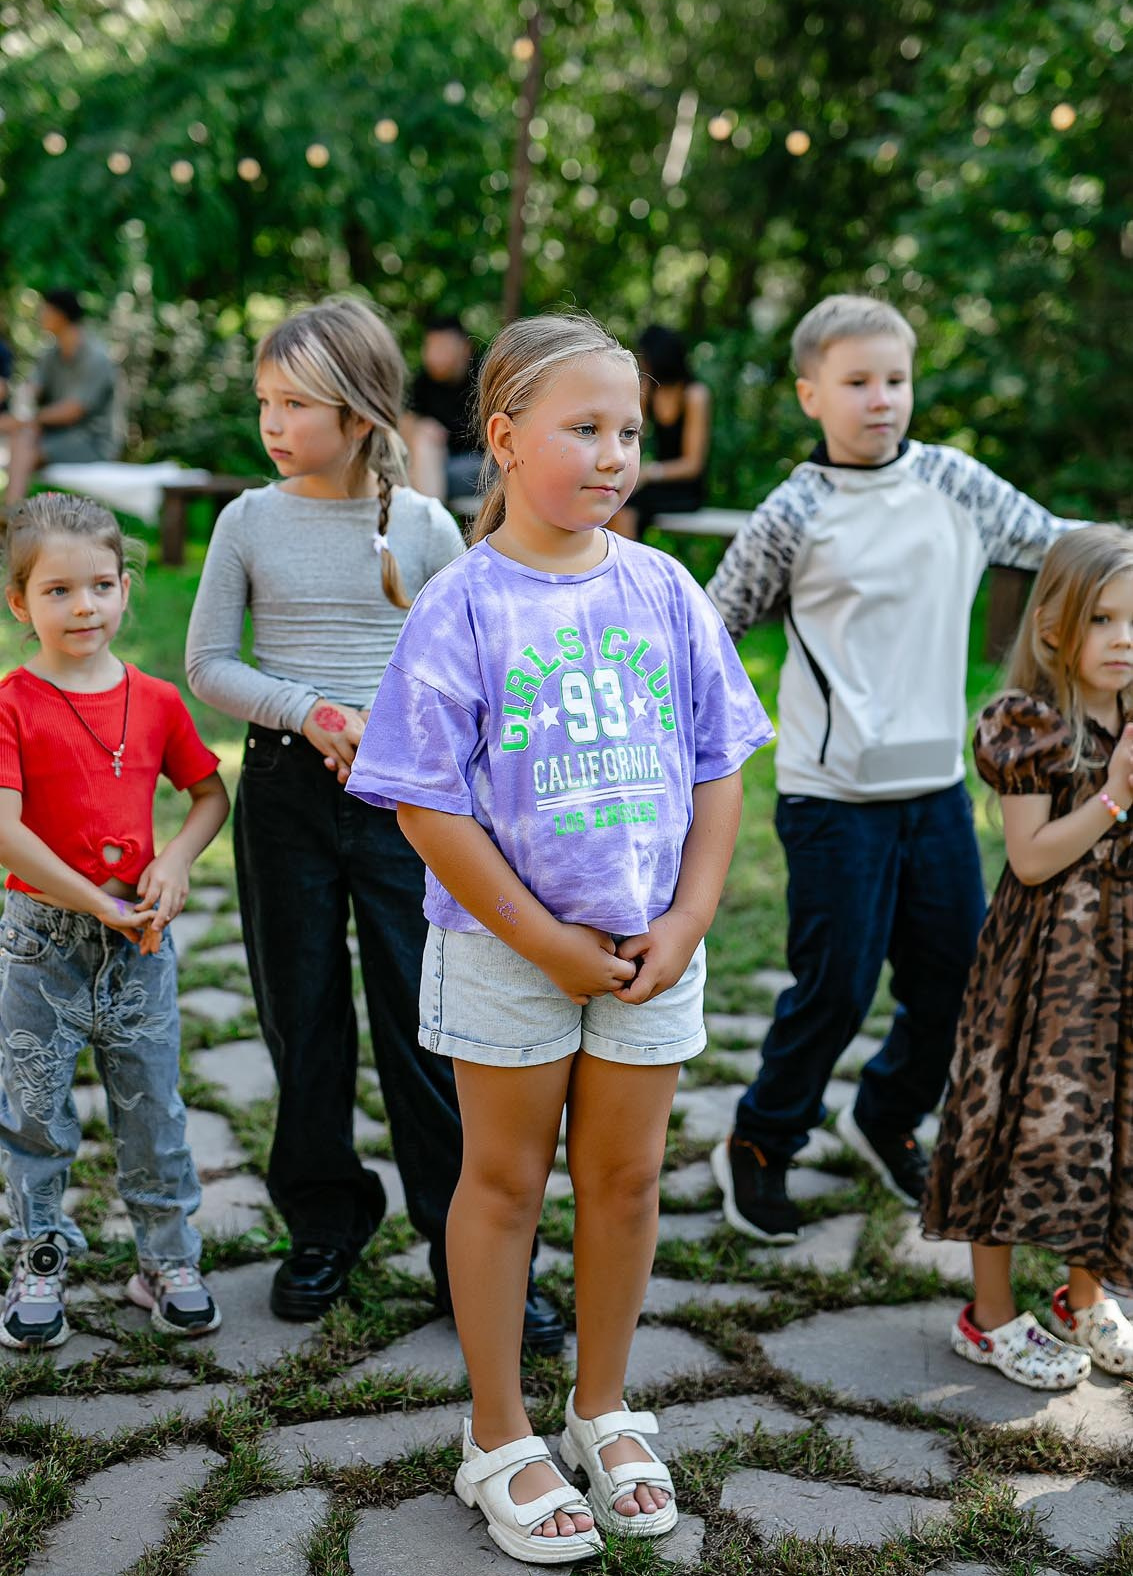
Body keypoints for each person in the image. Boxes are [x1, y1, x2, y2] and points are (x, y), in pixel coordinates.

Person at [346, 313, 772, 1562]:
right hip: (505, 948)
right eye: (582, 427)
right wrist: (542, 939)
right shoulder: (462, 603)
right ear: (504, 436)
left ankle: (600, 1405)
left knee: (627, 1179)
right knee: (505, 1180)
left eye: (626, 430)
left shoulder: (661, 586)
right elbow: (424, 802)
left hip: (648, 945)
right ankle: (498, 1431)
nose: (611, 454)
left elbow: (717, 765)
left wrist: (689, 917)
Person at [185, 297, 564, 1354]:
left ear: (357, 412)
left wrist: (387, 733)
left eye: (294, 401)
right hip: (288, 790)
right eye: (264, 400)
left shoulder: (427, 525)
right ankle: (324, 1218)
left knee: (424, 1022)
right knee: (300, 1013)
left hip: (410, 802)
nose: (272, 421)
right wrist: (309, 711)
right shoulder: (248, 519)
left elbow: (463, 668)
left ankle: (468, 1252)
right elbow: (209, 661)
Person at [706, 294, 1077, 1245]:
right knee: (832, 989)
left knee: (957, 982)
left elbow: (1066, 549)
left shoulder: (955, 482)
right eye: (857, 382)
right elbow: (710, 629)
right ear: (810, 393)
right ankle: (758, 1142)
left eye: (896, 380)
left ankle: (883, 1118)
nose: (881, 400)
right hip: (831, 799)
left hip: (936, 793)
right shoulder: (795, 509)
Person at [0, 493, 229, 1349]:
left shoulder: (158, 700)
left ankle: (165, 1262)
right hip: (41, 946)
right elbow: (6, 830)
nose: (84, 606)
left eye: (100, 584)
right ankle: (38, 1262)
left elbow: (210, 795)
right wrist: (92, 900)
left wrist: (171, 865)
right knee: (34, 1119)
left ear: (127, 588)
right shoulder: (14, 702)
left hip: (139, 949)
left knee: (154, 1113)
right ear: (21, 603)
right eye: (58, 591)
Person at [923, 526, 1133, 1389]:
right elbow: (1032, 857)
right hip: (1042, 972)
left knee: (1104, 1132)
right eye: (1104, 620)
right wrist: (1116, 795)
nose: (1124, 639)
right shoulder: (1030, 725)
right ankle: (989, 1313)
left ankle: (1082, 1298)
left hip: (1118, 968)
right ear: (1052, 629)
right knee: (1013, 1124)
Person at [0, 291, 118, 507]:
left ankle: (10, 516)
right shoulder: (50, 354)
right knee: (22, 439)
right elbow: (31, 389)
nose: (39, 316)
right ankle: (12, 514)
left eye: (45, 310)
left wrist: (26, 420)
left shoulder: (96, 358)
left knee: (23, 445)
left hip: (92, 442)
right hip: (55, 437)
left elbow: (73, 410)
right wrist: (24, 403)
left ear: (61, 315)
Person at [609, 325, 710, 542]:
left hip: (685, 488)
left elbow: (692, 465)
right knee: (611, 496)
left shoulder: (694, 395)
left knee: (625, 506)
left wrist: (649, 473)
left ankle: (628, 571)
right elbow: (632, 438)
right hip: (655, 484)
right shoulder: (650, 389)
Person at [401, 315, 480, 503]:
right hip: (433, 464)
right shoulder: (423, 383)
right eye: (430, 347)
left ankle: (427, 522)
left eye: (443, 347)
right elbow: (403, 428)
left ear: (465, 349)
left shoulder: (484, 377)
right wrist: (421, 427)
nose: (434, 355)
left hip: (481, 465)